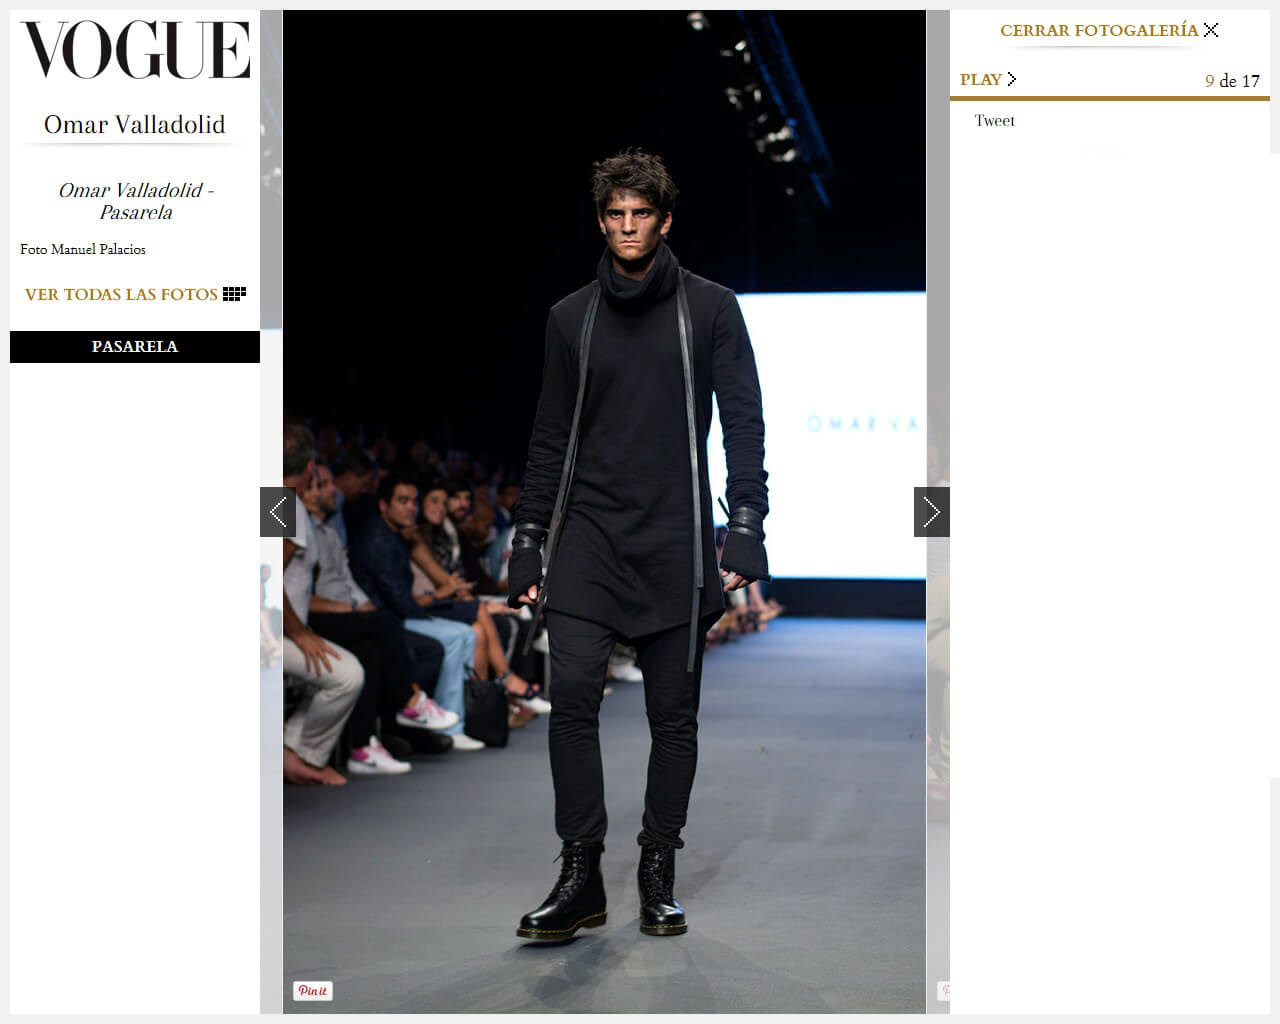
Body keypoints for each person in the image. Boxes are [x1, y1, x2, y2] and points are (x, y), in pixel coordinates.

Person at [510, 150, 770, 940]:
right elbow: (550, 436)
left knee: (672, 716)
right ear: (601, 221)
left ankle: (658, 868)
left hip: (674, 537)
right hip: (588, 534)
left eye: (641, 214)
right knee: (572, 699)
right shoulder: (571, 318)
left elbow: (743, 419)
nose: (628, 227)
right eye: (616, 214)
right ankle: (581, 874)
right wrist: (528, 538)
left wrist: (747, 523)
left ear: (665, 220)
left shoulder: (711, 307)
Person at [281, 425, 365, 786]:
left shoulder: (275, 499)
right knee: (347, 675)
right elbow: (263, 578)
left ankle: (290, 752)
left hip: (275, 629)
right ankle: (300, 756)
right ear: (310, 467)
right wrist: (300, 634)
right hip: (270, 635)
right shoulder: (281, 502)